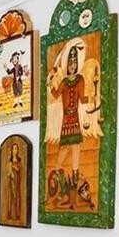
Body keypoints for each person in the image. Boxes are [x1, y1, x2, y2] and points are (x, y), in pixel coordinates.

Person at [48, 44, 89, 206]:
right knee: (65, 146)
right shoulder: (65, 81)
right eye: (69, 64)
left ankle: (75, 174)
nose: (72, 66)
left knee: (76, 147)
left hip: (75, 118)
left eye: (74, 63)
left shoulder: (80, 80)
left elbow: (83, 99)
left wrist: (94, 92)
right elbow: (56, 94)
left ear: (76, 64)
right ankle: (59, 172)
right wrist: (51, 83)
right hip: (66, 119)